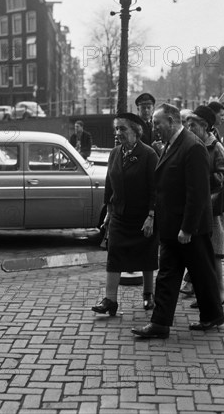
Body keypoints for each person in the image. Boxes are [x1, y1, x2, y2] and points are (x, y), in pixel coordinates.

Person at [131, 104, 223, 339]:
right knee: (170, 275)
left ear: (172, 120)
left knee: (201, 274)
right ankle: (161, 323)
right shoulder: (172, 144)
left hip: (187, 228)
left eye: (157, 123)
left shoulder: (192, 147)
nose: (154, 128)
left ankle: (211, 315)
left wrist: (187, 228)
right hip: (173, 226)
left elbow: (198, 192)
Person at [91, 113, 159, 316]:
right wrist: (109, 212)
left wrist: (151, 215)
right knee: (114, 255)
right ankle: (110, 300)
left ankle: (148, 294)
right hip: (120, 215)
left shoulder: (148, 155)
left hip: (142, 216)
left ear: (135, 131)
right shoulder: (114, 153)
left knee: (147, 255)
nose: (118, 133)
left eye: (122, 129)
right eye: (117, 129)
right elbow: (109, 184)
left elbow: (155, 188)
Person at [185, 106, 224, 305]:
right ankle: (203, 292)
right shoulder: (192, 145)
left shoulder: (216, 147)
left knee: (215, 253)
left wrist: (205, 177)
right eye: (187, 124)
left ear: (205, 126)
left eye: (193, 125)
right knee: (201, 252)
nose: (189, 128)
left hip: (215, 207)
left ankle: (219, 291)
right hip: (199, 205)